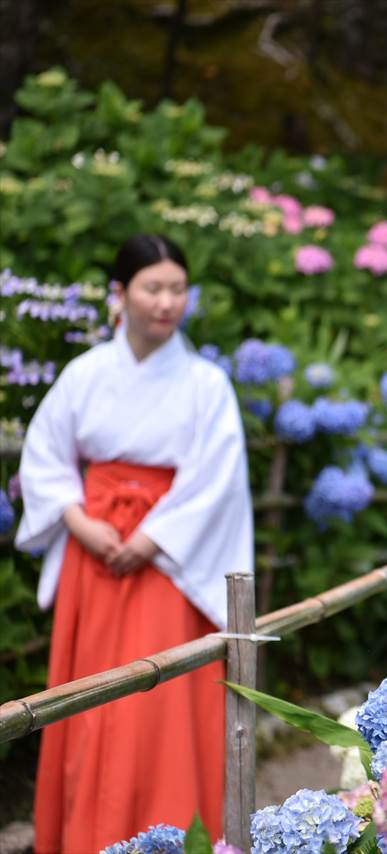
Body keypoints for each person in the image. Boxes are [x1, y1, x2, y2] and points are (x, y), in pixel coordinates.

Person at [15, 234, 254, 853]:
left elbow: (217, 477)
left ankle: (172, 837)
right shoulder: (86, 374)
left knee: (162, 706)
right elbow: (44, 454)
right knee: (89, 704)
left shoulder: (206, 384)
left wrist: (152, 538)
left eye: (178, 289)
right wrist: (77, 520)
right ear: (120, 295)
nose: (167, 302)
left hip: (167, 566)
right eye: (152, 288)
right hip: (94, 559)